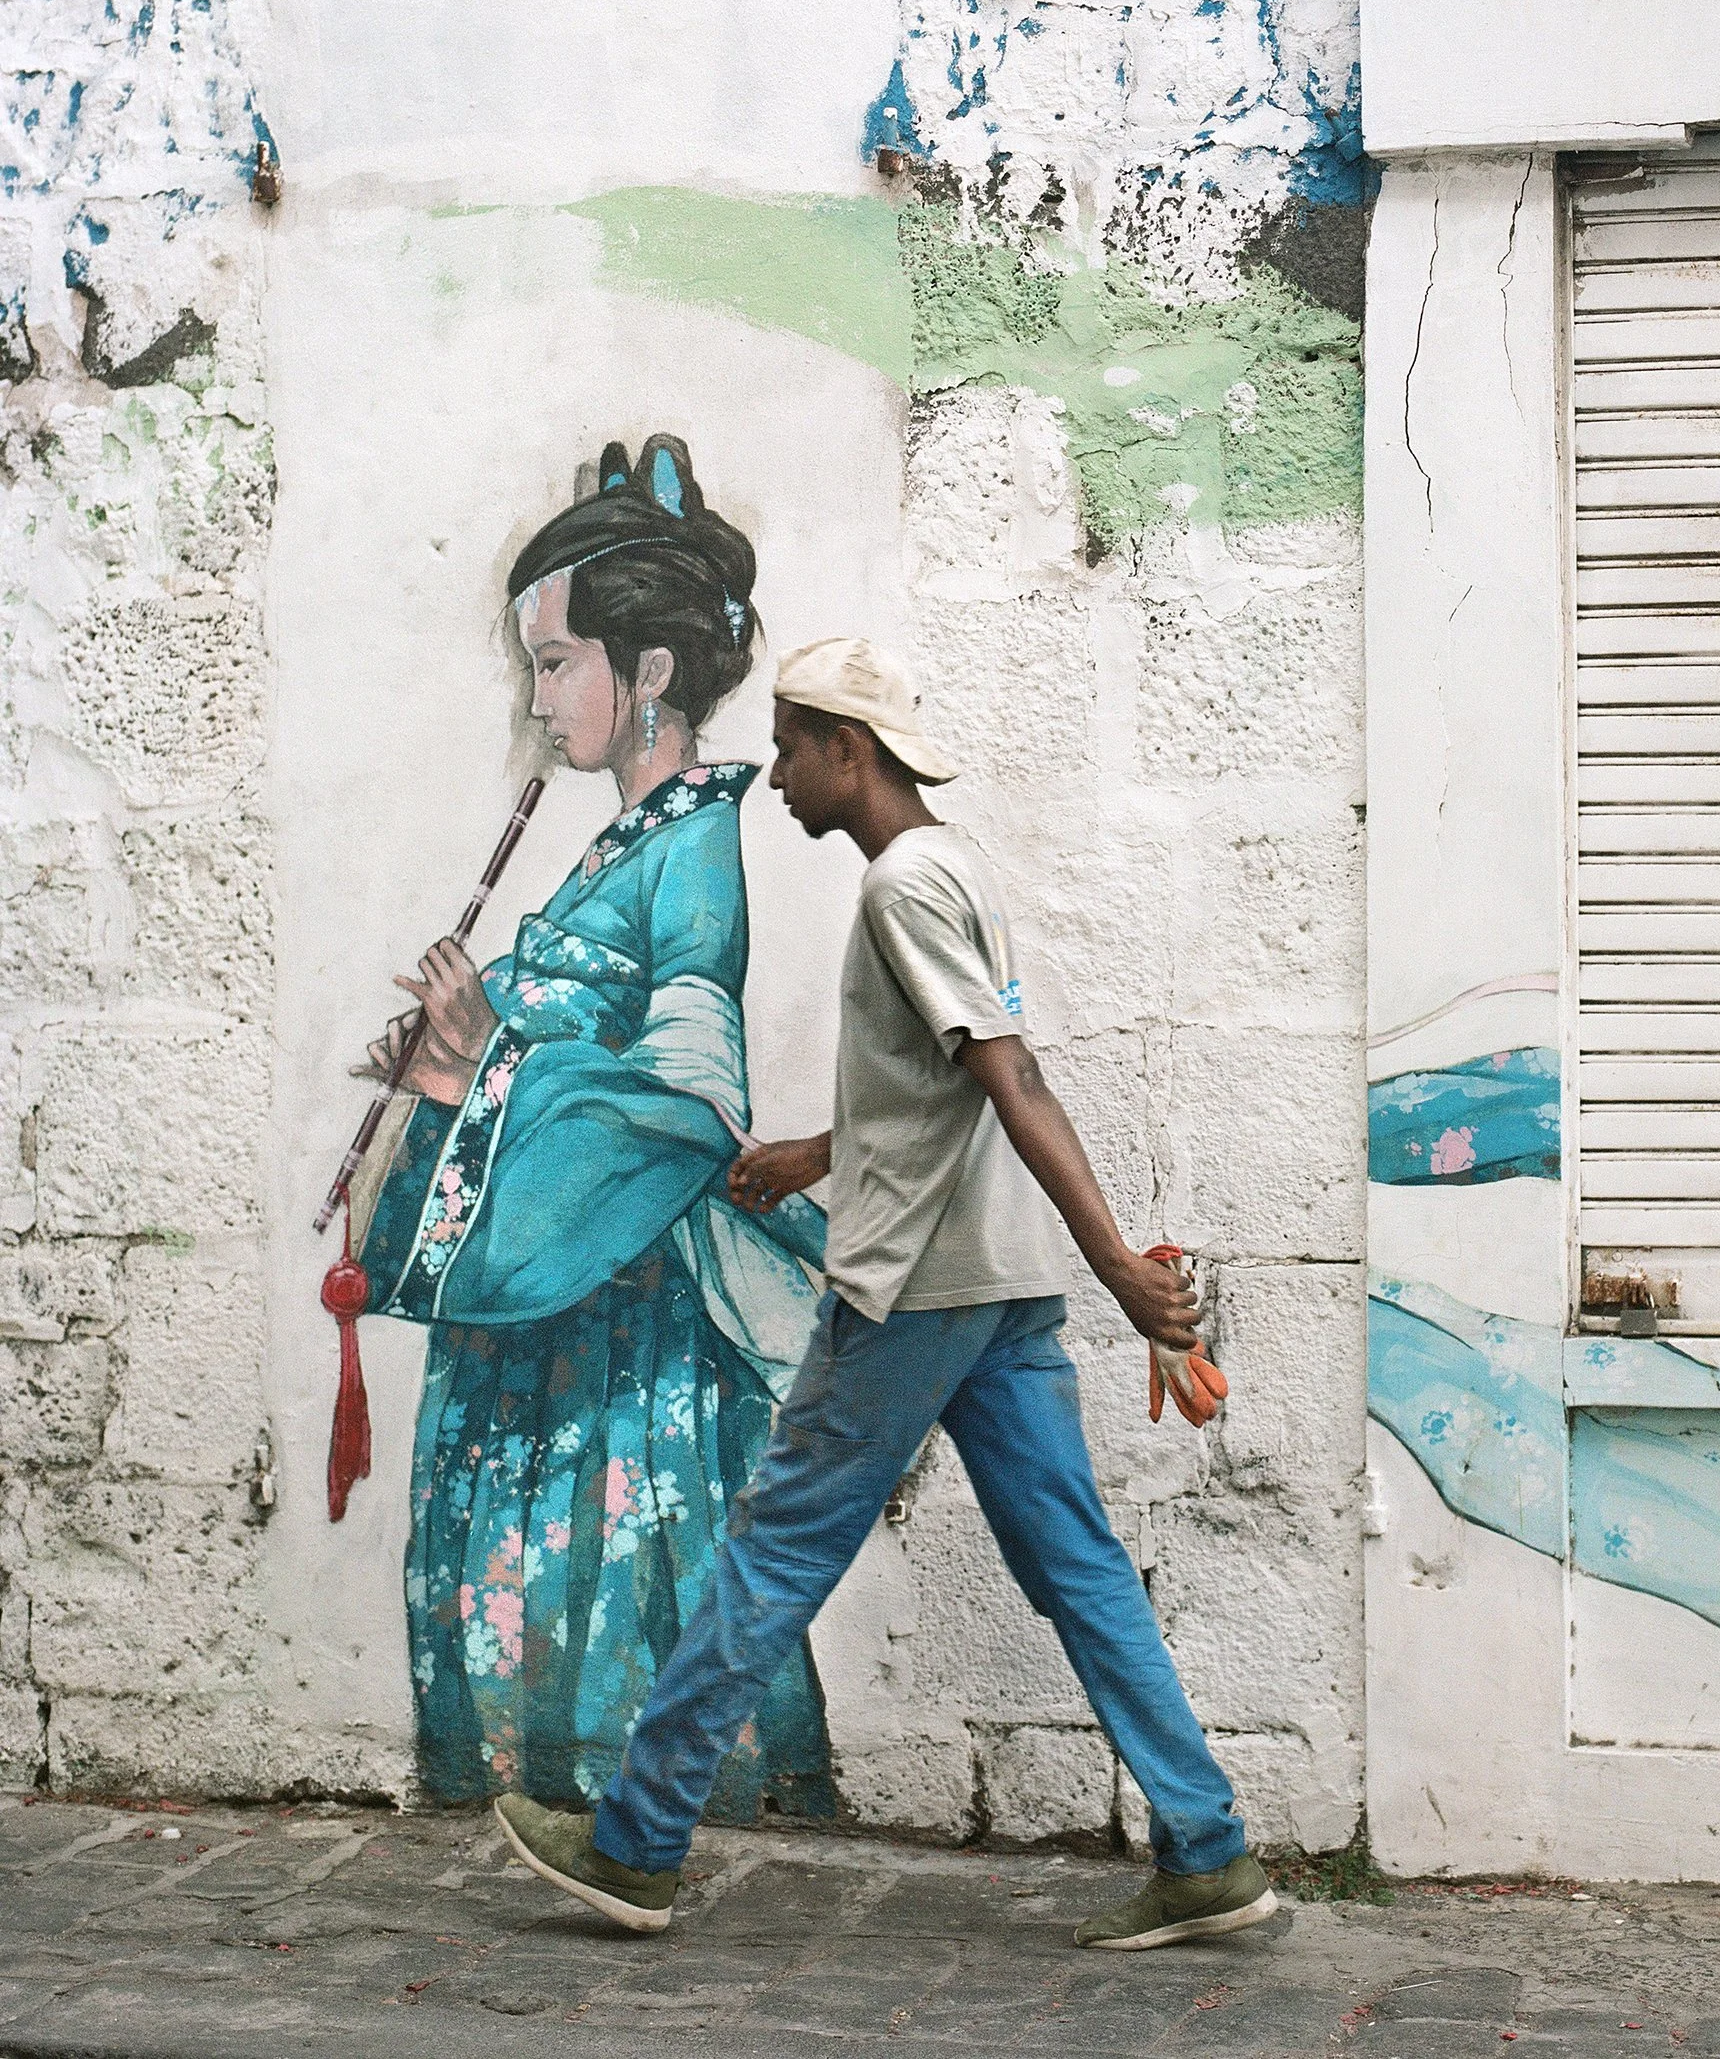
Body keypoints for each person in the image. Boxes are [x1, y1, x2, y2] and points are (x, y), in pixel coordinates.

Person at [490, 636, 1279, 1953]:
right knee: (1080, 1569)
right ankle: (1206, 1848)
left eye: (796, 743)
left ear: (849, 752)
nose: (780, 767)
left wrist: (1125, 1273)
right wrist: (816, 1149)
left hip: (915, 1292)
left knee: (771, 1552)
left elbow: (1012, 1081)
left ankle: (634, 1843)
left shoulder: (902, 888)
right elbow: (941, 1086)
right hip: (994, 1283)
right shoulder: (955, 865)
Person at [353, 437, 833, 1825]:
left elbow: (686, 1101)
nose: (540, 692)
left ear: (652, 673)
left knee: (617, 1570)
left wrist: (482, 1058)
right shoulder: (617, 845)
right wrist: (464, 1037)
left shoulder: (690, 847)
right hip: (560, 1295)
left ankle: (628, 1822)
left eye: (559, 660)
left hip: (617, 1310)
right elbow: (574, 1045)